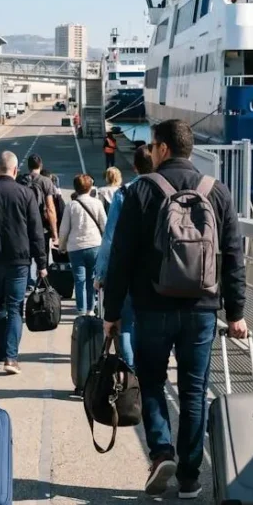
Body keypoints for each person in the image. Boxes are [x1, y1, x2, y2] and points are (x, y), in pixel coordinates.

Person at [103, 119, 247, 500]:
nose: (149, 151)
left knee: (151, 381)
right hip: (202, 308)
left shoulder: (142, 191)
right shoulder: (216, 192)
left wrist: (112, 312)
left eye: (152, 146)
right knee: (194, 390)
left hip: (151, 307)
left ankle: (162, 451)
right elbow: (233, 256)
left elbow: (122, 257)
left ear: (162, 148)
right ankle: (189, 475)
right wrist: (236, 313)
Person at [0, 151, 47, 374]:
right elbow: (35, 231)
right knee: (15, 307)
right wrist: (41, 263)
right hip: (19, 260)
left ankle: (2, 351)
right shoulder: (26, 194)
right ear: (15, 170)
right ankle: (11, 358)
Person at [96, 145, 154, 368]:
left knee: (127, 324)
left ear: (134, 166)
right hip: (159, 273)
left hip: (128, 270)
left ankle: (132, 372)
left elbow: (110, 238)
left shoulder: (124, 193)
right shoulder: (167, 189)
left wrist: (101, 273)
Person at [59, 173, 107, 315]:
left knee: (79, 280)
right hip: (94, 245)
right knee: (92, 278)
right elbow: (105, 225)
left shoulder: (71, 206)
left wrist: (62, 246)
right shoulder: (97, 203)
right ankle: (91, 309)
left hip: (75, 247)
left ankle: (81, 309)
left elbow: (64, 230)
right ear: (90, 187)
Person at [16, 154, 59, 277]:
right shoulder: (45, 181)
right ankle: (41, 282)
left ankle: (26, 280)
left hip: (22, 224)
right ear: (41, 165)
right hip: (41, 225)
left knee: (25, 256)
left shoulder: (20, 180)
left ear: (28, 166)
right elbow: (50, 208)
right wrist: (55, 232)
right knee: (42, 254)